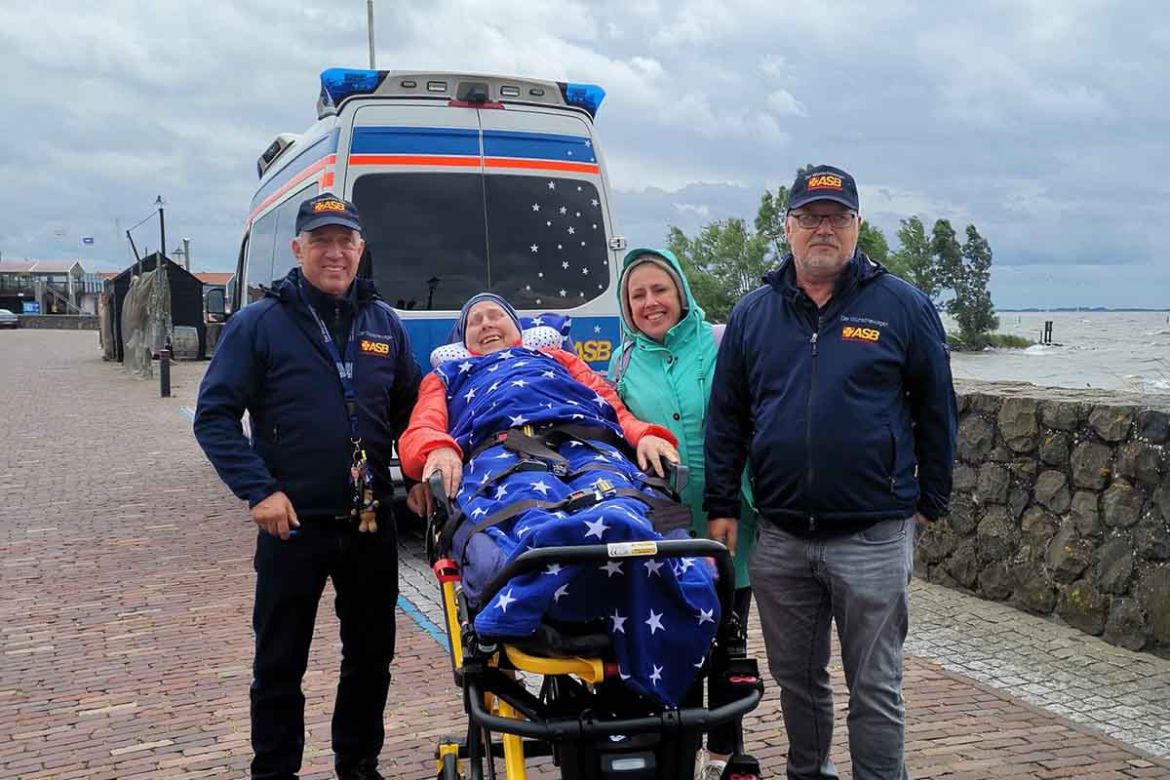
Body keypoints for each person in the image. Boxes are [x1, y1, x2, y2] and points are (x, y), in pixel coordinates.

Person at [704, 165, 957, 780]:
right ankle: (807, 773)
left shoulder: (903, 305)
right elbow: (728, 418)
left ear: (857, 226)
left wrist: (933, 499)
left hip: (873, 536)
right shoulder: (753, 314)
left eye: (836, 217)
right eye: (810, 218)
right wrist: (721, 506)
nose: (823, 229)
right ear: (787, 227)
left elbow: (936, 408)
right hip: (783, 538)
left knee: (875, 686)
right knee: (798, 684)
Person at [400, 294, 728, 706]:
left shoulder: (559, 359)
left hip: (589, 446)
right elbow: (421, 427)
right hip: (501, 458)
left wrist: (645, 434)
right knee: (526, 511)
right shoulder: (448, 375)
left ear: (518, 329)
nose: (486, 324)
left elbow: (612, 406)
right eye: (475, 321)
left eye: (496, 316)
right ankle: (575, 552)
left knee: (620, 501)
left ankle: (573, 557)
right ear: (462, 342)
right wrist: (438, 447)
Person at [194, 193, 421, 780]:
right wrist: (258, 490)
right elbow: (214, 416)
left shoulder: (383, 323)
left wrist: (420, 472)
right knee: (279, 663)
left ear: (360, 248)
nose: (335, 252)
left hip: (371, 523)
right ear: (298, 249)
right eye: (321, 240)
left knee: (371, 659)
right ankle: (274, 772)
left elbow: (412, 409)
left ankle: (358, 764)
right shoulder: (258, 324)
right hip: (292, 525)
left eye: (346, 240)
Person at [608, 248, 758, 779]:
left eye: (659, 290)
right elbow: (618, 427)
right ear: (626, 306)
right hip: (664, 525)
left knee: (728, 639)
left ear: (681, 292)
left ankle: (724, 753)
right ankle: (678, 753)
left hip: (729, 517)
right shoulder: (622, 361)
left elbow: (747, 413)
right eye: (637, 295)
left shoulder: (722, 343)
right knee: (676, 636)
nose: (650, 303)